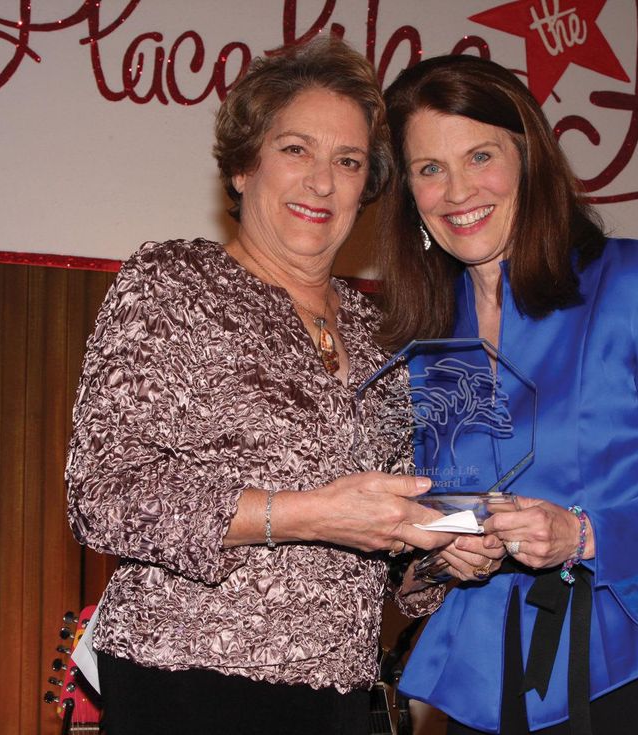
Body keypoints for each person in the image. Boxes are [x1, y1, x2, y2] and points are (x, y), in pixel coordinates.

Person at [65, 38, 456, 735]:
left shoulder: (381, 334)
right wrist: (298, 512)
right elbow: (102, 493)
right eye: (296, 150)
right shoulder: (174, 284)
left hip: (338, 693)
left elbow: (392, 537)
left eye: (348, 161)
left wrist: (450, 550)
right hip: (183, 679)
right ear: (245, 164)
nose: (322, 181)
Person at [377, 55, 638, 734]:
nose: (458, 190)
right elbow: (435, 509)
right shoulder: (421, 346)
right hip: (482, 683)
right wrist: (438, 555)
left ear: (529, 159)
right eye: (430, 168)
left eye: (480, 156)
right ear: (408, 192)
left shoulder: (636, 282)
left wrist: (584, 532)